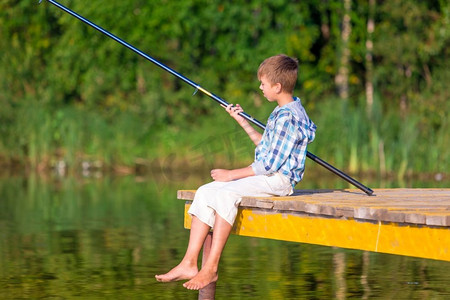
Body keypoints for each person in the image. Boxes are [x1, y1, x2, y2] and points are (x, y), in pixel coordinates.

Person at [155, 54, 317, 290]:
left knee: (225, 193)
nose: (260, 88)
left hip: (279, 181)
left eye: (263, 83)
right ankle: (189, 263)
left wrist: (231, 174)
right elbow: (265, 148)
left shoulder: (288, 118)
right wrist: (242, 120)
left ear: (277, 86)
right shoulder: (284, 112)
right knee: (205, 191)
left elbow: (269, 165)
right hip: (269, 177)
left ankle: (210, 268)